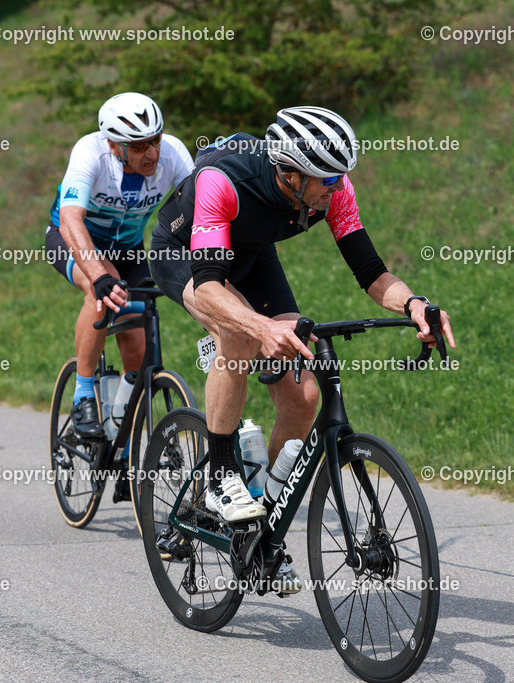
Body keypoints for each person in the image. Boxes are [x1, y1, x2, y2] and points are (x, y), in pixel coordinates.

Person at [150, 106, 456, 592]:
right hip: (183, 254)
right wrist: (257, 325)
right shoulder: (220, 181)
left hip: (251, 256)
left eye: (340, 178)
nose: (335, 189)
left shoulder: (331, 186)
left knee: (304, 396)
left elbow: (371, 273)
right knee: (242, 336)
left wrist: (414, 304)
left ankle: (258, 522)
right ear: (289, 173)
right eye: (325, 181)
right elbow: (209, 284)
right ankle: (220, 475)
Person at [46, 92, 193, 437]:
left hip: (128, 248)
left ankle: (126, 431)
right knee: (104, 291)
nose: (153, 153)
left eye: (155, 140)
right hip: (71, 239)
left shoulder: (173, 153)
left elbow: (200, 208)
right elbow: (70, 220)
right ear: (114, 145)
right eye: (140, 147)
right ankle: (83, 393)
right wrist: (97, 275)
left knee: (139, 342)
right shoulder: (90, 152)